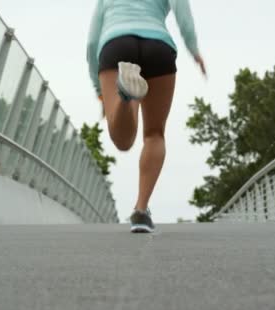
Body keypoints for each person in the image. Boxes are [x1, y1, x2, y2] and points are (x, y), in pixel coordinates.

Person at [87, 0, 206, 233]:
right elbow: (183, 12)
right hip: (158, 46)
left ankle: (125, 96)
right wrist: (194, 50)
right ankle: (141, 211)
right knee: (154, 134)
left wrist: (99, 90)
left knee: (123, 141)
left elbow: (92, 41)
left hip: (116, 44)